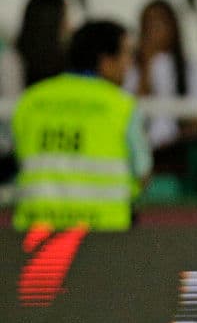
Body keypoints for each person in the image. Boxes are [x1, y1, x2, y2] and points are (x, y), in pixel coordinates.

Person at [11, 20, 152, 231]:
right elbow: (142, 173)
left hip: (35, 232)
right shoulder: (122, 106)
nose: (129, 64)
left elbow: (19, 159)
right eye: (126, 55)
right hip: (105, 233)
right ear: (105, 61)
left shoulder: (30, 101)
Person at [123, 0, 197, 189]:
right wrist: (146, 66)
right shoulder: (130, 69)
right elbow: (129, 112)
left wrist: (174, 136)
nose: (154, 31)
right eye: (148, 25)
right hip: (140, 145)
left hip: (177, 147)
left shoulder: (188, 69)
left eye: (160, 23)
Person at [0, 0, 69, 186]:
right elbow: (14, 113)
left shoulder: (67, 59)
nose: (69, 26)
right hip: (19, 150)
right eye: (65, 19)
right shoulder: (13, 60)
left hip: (57, 143)